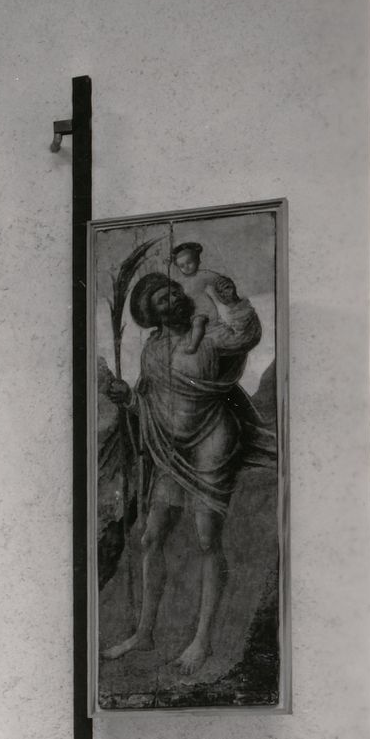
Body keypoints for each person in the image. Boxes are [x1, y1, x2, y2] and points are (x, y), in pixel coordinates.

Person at [103, 272, 273, 677]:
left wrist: (232, 300)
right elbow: (150, 405)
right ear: (152, 314)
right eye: (162, 301)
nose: (174, 302)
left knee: (205, 539)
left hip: (212, 440)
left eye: (174, 293)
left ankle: (202, 640)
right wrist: (127, 399)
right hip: (171, 450)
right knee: (151, 537)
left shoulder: (212, 333)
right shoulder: (153, 350)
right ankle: (144, 632)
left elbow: (246, 335)